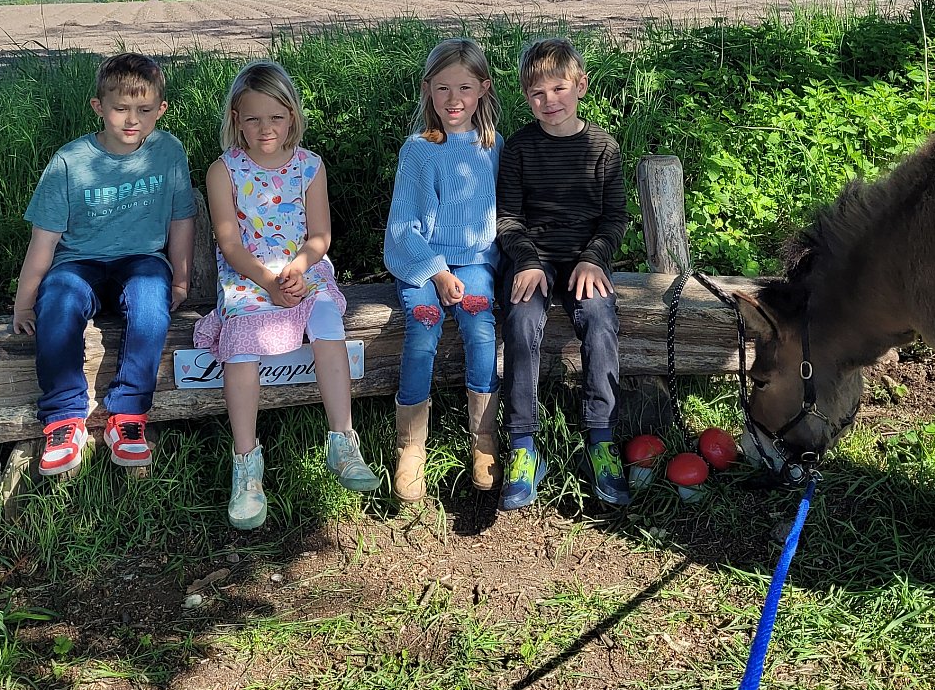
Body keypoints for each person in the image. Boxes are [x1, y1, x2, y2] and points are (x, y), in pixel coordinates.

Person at [195, 59, 379, 530]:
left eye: (276, 117)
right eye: (254, 118)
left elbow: (320, 237)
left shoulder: (309, 166)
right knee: (241, 344)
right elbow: (230, 244)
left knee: (327, 323)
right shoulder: (224, 170)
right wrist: (268, 282)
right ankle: (246, 464)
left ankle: (343, 441)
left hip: (303, 267)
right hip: (248, 274)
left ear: (292, 116)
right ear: (236, 118)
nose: (266, 128)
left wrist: (296, 269)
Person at [14, 52, 196, 478]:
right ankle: (63, 419)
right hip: (80, 263)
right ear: (98, 106)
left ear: (161, 109)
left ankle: (128, 416)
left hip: (142, 261)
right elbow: (44, 241)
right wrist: (25, 302)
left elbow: (181, 219)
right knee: (58, 301)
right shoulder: (69, 162)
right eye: (120, 108)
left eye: (144, 110)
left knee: (151, 304)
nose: (132, 120)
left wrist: (181, 280)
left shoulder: (168, 151)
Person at [496, 37, 630, 511]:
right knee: (520, 320)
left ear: (581, 86)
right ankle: (522, 444)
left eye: (559, 88)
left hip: (584, 260)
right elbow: (508, 218)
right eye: (537, 93)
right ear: (525, 97)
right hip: (533, 259)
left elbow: (614, 218)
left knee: (599, 318)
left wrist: (595, 258)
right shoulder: (519, 148)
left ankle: (601, 437)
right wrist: (527, 260)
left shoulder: (602, 147)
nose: (549, 100)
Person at [383, 38, 503, 503]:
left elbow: (502, 216)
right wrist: (436, 272)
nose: (454, 100)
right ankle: (411, 446)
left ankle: (484, 437)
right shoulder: (418, 150)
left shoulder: (493, 147)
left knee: (478, 323)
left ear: (483, 89)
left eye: (465, 88)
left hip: (474, 260)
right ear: (427, 89)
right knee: (424, 324)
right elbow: (403, 226)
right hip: (423, 260)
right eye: (443, 88)